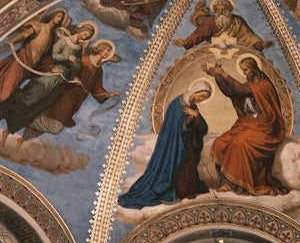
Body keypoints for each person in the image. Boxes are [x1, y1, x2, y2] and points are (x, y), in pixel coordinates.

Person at [118, 85, 210, 208]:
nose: (201, 99)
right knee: (178, 166)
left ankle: (189, 190)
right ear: (195, 91)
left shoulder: (192, 106)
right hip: (175, 144)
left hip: (188, 144)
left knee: (189, 166)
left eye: (204, 98)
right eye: (201, 96)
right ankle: (179, 191)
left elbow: (203, 129)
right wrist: (189, 120)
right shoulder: (177, 105)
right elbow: (177, 127)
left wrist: (196, 117)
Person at [210, 56, 288, 194]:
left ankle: (239, 185)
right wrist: (218, 76)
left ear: (254, 69)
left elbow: (242, 90)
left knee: (240, 142)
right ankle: (227, 182)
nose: (244, 73)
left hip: (265, 127)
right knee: (220, 142)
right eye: (243, 70)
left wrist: (223, 73)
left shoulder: (264, 85)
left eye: (246, 70)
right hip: (248, 124)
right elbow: (231, 91)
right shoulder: (250, 85)